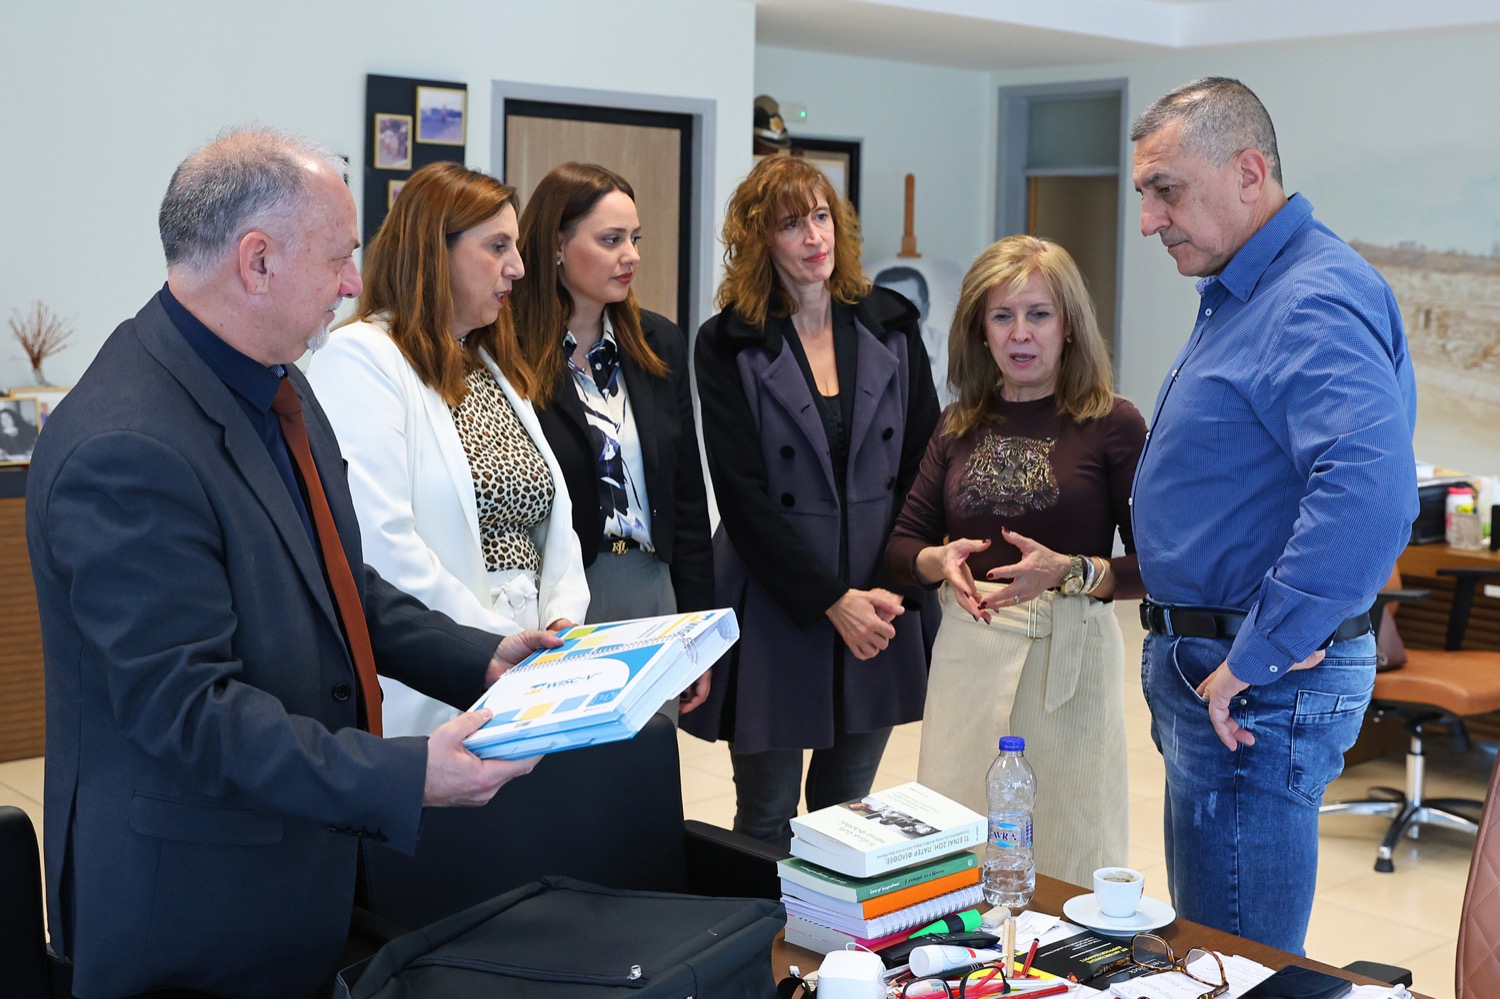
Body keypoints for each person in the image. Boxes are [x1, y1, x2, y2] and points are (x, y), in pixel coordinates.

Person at [24, 128, 559, 998]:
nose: (354, 284)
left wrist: (483, 657)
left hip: (295, 869)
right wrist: (409, 773)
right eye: (340, 257)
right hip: (191, 908)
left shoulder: (275, 377)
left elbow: (336, 584)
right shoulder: (125, 446)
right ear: (258, 261)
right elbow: (191, 712)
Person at [1129, 77, 1417, 952]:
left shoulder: (1310, 297)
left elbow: (1369, 493)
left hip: (1254, 686)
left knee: (1237, 965)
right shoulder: (1250, 290)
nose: (1148, 221)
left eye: (1166, 190)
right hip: (1226, 671)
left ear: (1248, 173)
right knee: (1217, 943)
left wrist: (1257, 654)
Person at [684, 154, 941, 849]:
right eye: (791, 224)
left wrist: (886, 592)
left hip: (881, 599)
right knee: (766, 819)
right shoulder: (727, 342)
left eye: (821, 216)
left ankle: (830, 926)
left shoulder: (892, 325)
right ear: (759, 240)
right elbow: (741, 495)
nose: (813, 237)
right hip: (777, 598)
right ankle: (758, 924)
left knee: (846, 819)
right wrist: (831, 599)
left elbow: (924, 468)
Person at [886, 235, 1146, 885]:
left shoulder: (1113, 424)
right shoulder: (957, 423)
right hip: (968, 658)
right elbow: (902, 545)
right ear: (980, 329)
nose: (1020, 333)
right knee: (955, 850)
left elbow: (1157, 565)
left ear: (1069, 325)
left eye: (1039, 314)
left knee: (1069, 847)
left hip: (1070, 659)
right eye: (1002, 316)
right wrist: (937, 559)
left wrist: (1071, 570)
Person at [307, 161, 589, 738]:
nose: (518, 267)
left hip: (531, 671)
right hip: (439, 679)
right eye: (497, 246)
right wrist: (491, 645)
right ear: (434, 252)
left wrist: (560, 623)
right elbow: (382, 546)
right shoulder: (361, 357)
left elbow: (555, 527)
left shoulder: (488, 363)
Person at [511, 162, 713, 717]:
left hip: (653, 587)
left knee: (649, 759)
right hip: (557, 597)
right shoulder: (509, 350)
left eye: (635, 239)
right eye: (611, 240)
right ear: (557, 244)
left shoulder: (658, 342)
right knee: (563, 761)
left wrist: (698, 627)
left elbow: (687, 497)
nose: (631, 256)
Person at [874, 264, 951, 407]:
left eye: (910, 305)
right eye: (887, 305)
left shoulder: (949, 353)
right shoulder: (858, 349)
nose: (898, 315)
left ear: (926, 309)